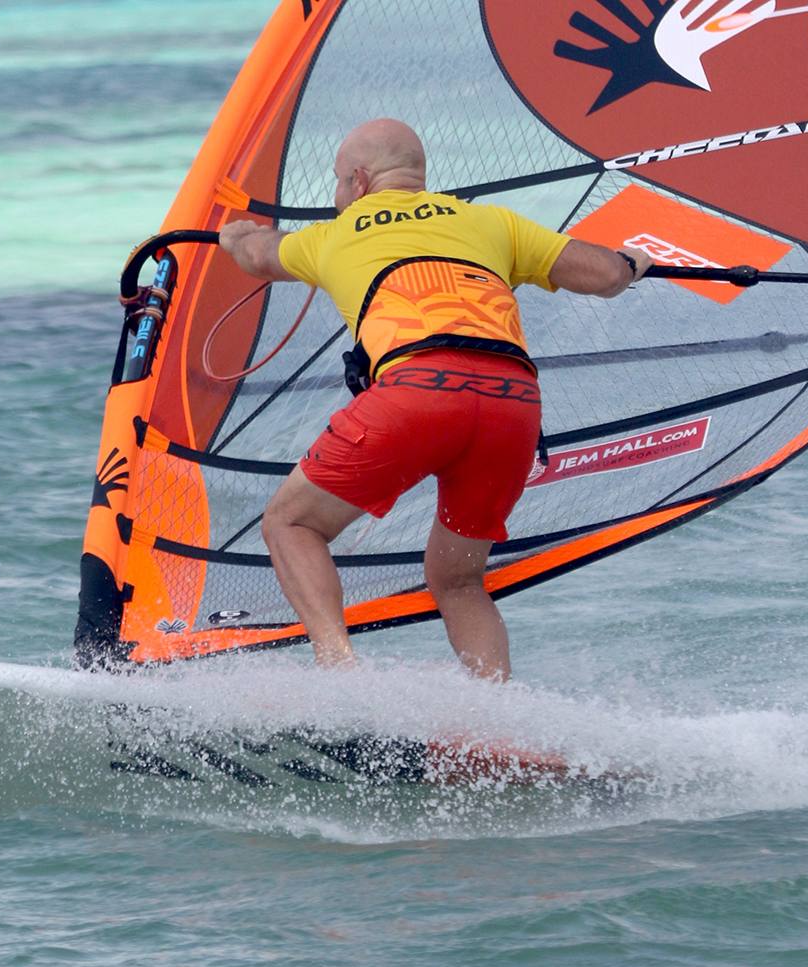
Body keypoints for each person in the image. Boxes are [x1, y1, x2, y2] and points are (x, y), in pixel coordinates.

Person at [219, 118, 650, 682]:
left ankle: (338, 674)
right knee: (459, 579)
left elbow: (258, 253)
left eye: (337, 182)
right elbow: (605, 273)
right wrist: (632, 263)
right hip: (513, 406)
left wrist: (235, 234)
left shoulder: (336, 233)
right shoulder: (489, 222)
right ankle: (496, 722)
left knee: (290, 524)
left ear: (358, 179)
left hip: (418, 392)